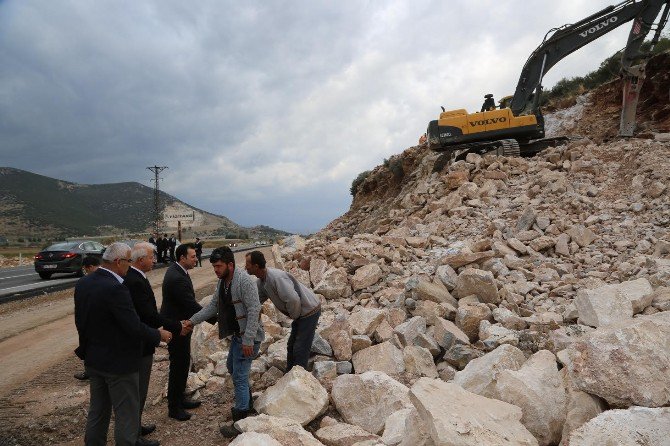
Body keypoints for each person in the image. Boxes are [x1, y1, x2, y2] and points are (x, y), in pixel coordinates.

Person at [74, 242, 172, 446]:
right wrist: (158, 335)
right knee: (126, 414)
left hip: (94, 359)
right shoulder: (116, 288)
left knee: (98, 412)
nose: (130, 265)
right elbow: (133, 326)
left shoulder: (84, 283)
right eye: (128, 261)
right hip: (119, 363)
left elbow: (80, 322)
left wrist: (86, 350)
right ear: (118, 262)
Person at [185, 246, 264, 438]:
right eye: (213, 267)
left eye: (218, 266)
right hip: (237, 338)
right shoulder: (222, 282)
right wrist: (192, 321)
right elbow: (212, 306)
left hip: (248, 339)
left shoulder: (244, 281)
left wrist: (248, 339)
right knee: (233, 368)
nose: (216, 270)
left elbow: (255, 309)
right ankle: (247, 401)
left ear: (230, 264)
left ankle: (241, 420)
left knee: (238, 375)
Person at [124, 242, 186, 445]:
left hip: (142, 339)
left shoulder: (136, 277)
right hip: (139, 343)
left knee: (140, 390)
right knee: (137, 390)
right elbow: (148, 314)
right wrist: (175, 326)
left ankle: (136, 426)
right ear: (141, 259)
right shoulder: (134, 280)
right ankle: (133, 436)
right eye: (152, 257)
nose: (155, 260)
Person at [245, 250, 321, 371]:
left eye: (247, 264)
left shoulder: (276, 277)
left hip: (309, 311)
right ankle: (290, 373)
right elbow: (255, 301)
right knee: (291, 345)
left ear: (256, 266)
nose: (245, 266)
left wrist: (295, 317)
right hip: (301, 313)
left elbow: (293, 299)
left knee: (300, 347)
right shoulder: (262, 281)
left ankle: (300, 379)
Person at [159, 243, 202, 421]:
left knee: (183, 364)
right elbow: (190, 304)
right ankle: (174, 407)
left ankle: (179, 398)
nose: (196, 259)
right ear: (182, 258)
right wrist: (216, 318)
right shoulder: (177, 277)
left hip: (181, 325)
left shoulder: (178, 272)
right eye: (193, 256)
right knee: (178, 366)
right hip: (177, 328)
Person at [73, 256, 101, 381]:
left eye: (86, 269)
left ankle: (90, 371)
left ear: (90, 267)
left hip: (88, 319)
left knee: (88, 344)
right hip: (97, 319)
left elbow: (79, 305)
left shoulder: (83, 282)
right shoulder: (110, 278)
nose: (86, 272)